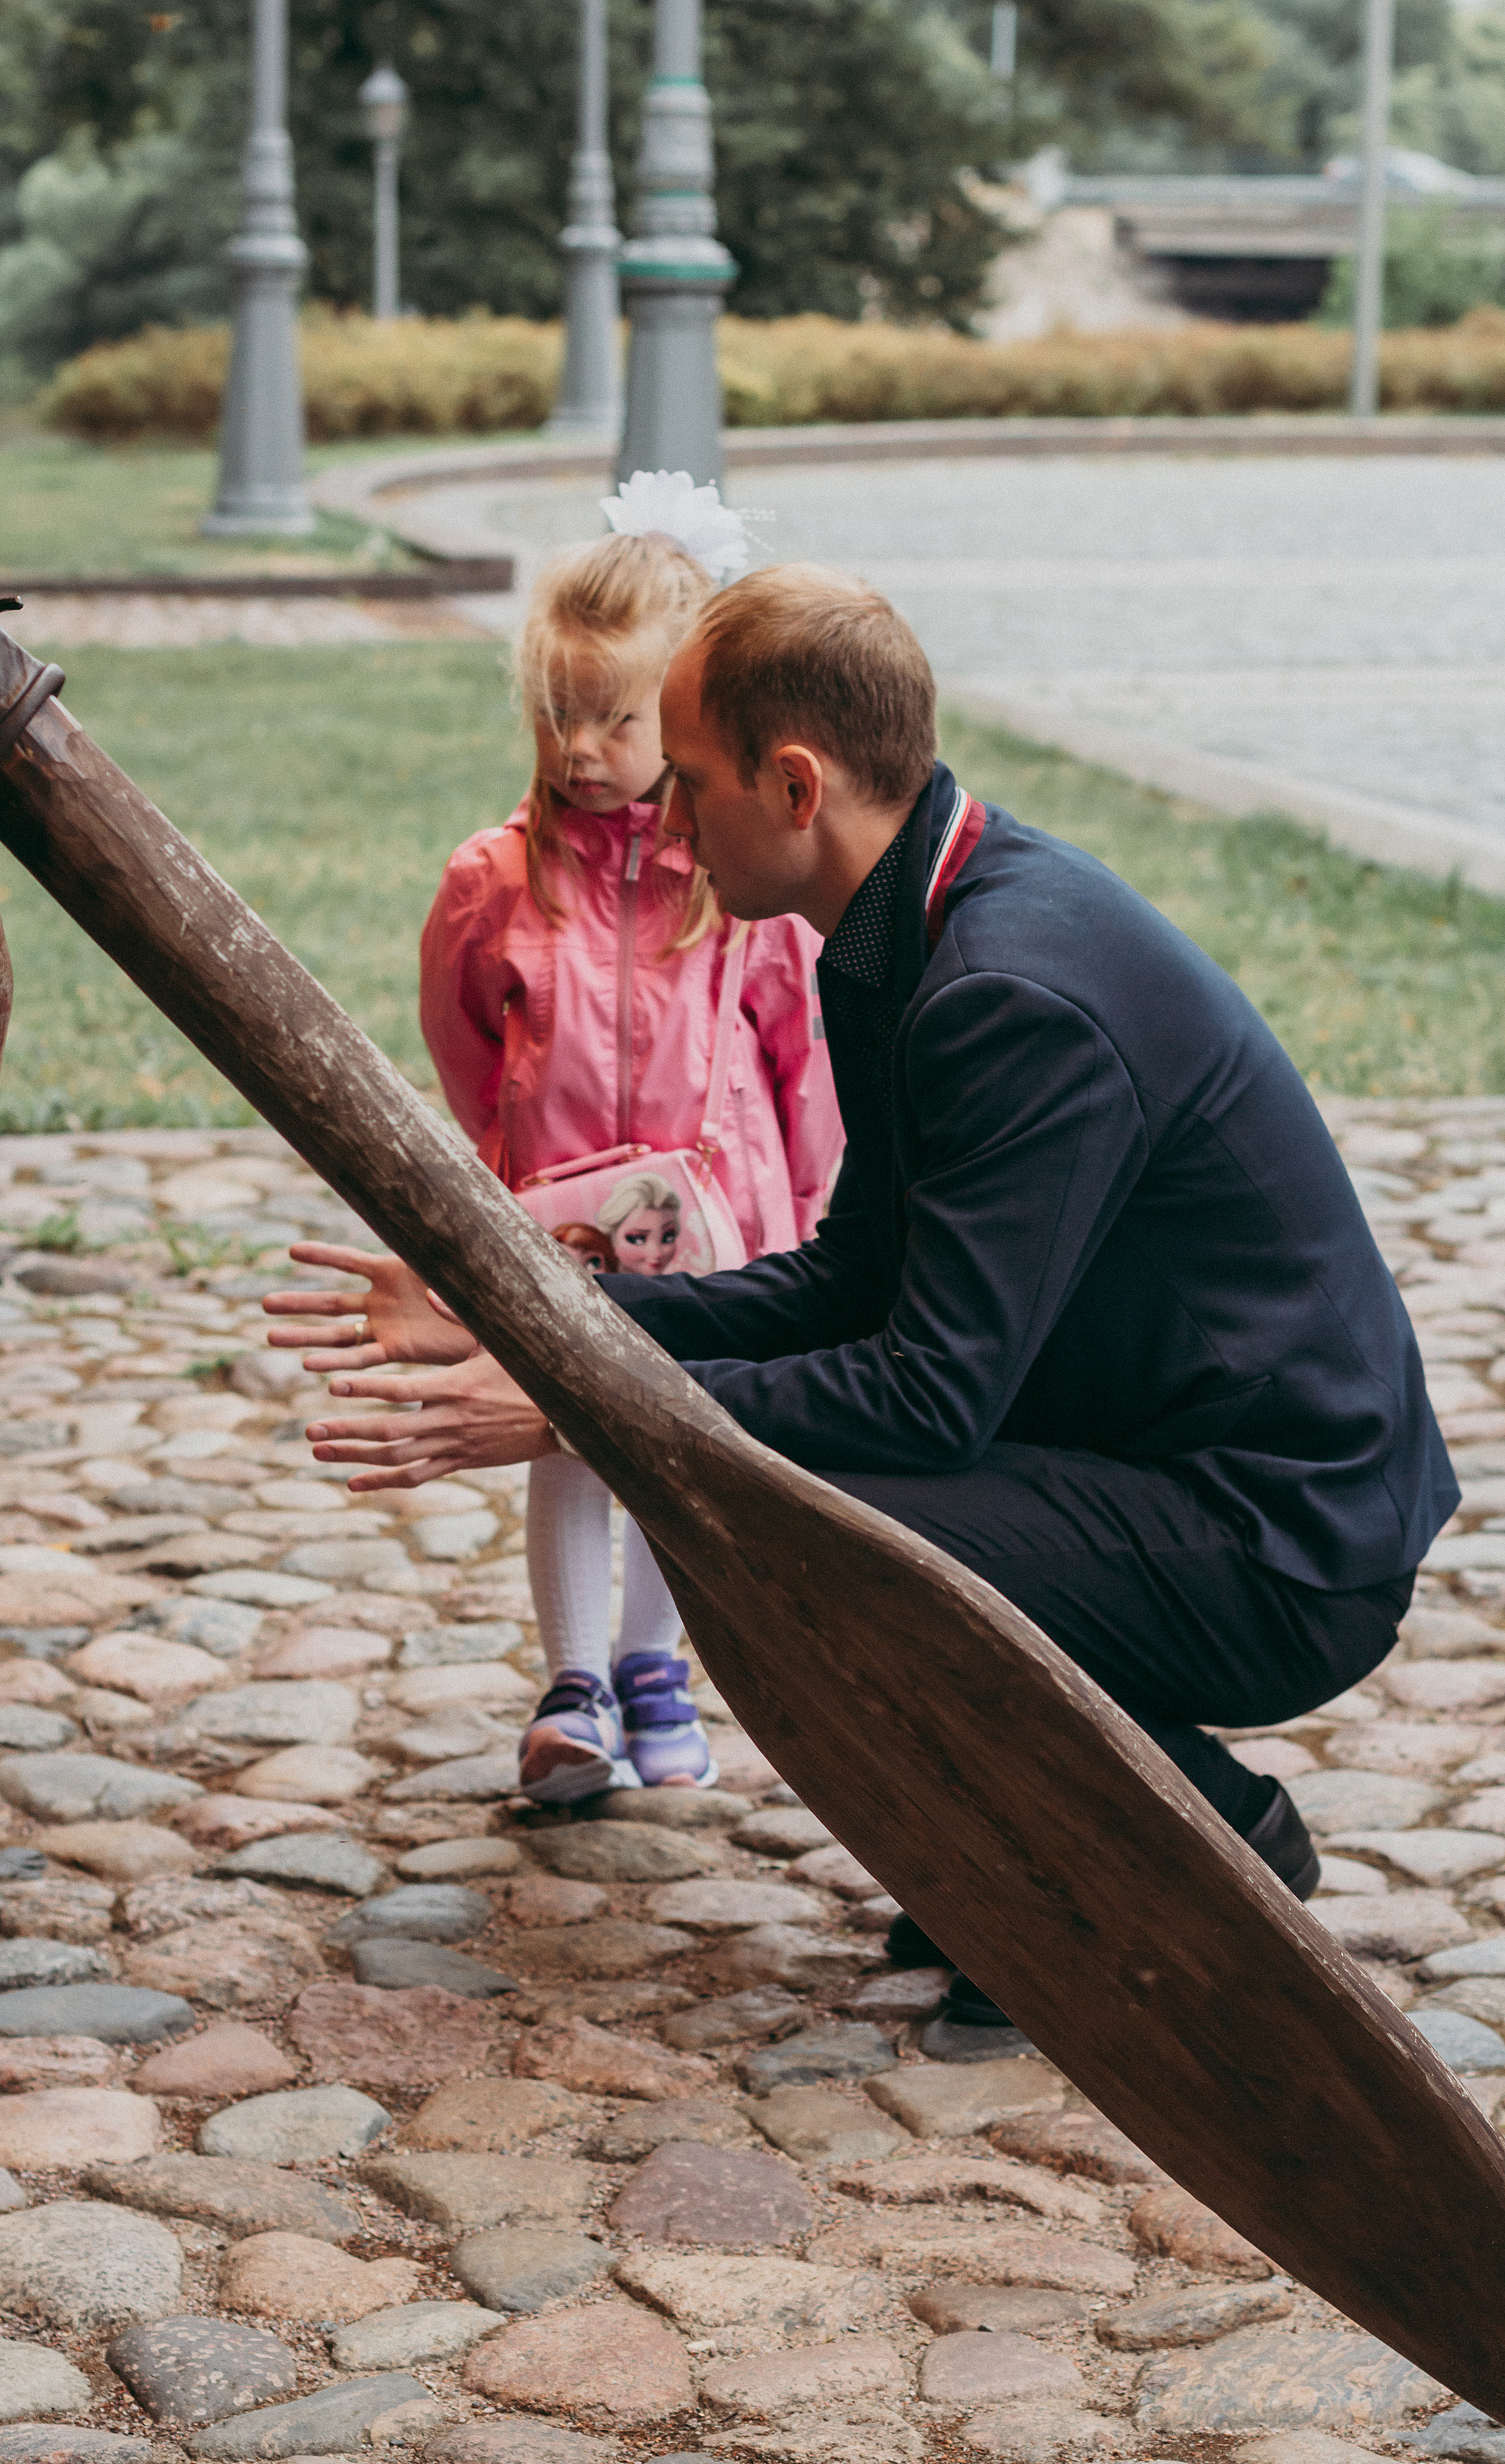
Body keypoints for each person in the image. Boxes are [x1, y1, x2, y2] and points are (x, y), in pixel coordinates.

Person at [271, 562, 1455, 2057]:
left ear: (793, 782)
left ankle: (1200, 1843)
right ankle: (1017, 1851)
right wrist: (530, 1314)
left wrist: (585, 1407)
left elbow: (924, 1397)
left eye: (688, 784)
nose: (668, 821)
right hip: (1167, 1472)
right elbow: (849, 1281)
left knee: (785, 1518)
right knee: (760, 1495)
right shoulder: (912, 927)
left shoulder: (1007, 989)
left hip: (1278, 1541)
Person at [269, 527, 841, 1809]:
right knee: (566, 1444)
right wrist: (510, 1168)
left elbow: (802, 1061)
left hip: (716, 1232)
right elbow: (463, 1036)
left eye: (610, 719)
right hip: (562, 1230)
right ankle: (574, 1685)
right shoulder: (496, 876)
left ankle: (655, 1666)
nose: (578, 747)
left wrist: (798, 1211)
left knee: (683, 1445)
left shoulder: (735, 887)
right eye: (556, 716)